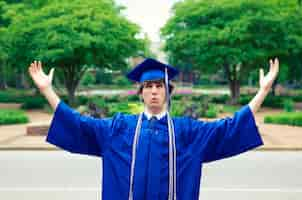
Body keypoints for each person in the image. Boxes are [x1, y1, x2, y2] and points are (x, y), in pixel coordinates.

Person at [28, 57, 279, 200]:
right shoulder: (118, 129)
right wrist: (47, 91)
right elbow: (77, 124)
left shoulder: (187, 133)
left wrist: (263, 91)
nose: (155, 91)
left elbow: (230, 128)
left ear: (168, 91)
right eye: (148, 86)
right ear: (141, 93)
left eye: (160, 86)